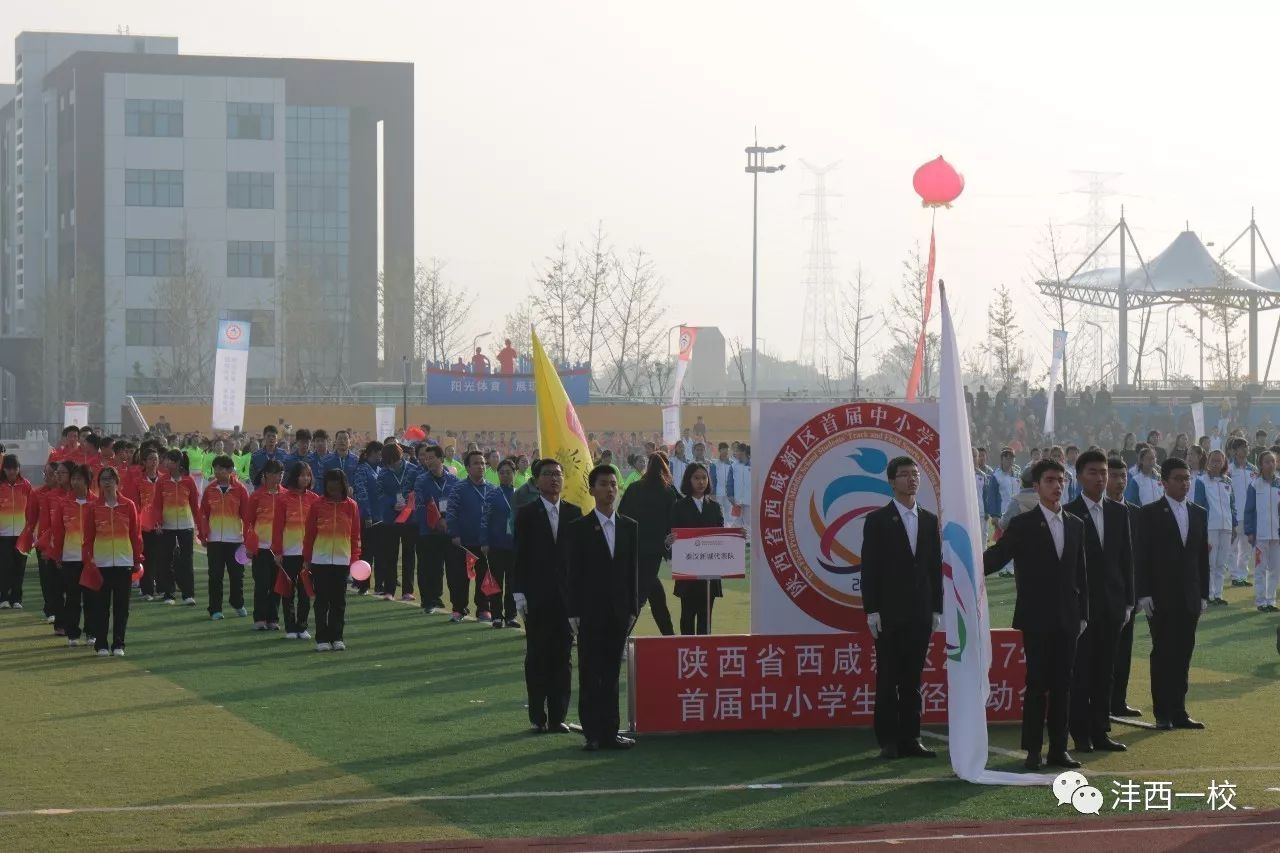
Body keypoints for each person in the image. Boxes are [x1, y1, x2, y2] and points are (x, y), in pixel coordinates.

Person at [982, 459, 1088, 770]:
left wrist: (1083, 613)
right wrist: (968, 562)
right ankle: (1032, 750)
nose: (1057, 486)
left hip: (1068, 617)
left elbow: (1081, 574)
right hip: (1036, 617)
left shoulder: (1075, 524)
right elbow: (998, 556)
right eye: (1050, 480)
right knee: (1037, 683)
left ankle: (1059, 748)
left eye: (1061, 480)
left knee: (1063, 684)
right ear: (1037, 486)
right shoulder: (1023, 524)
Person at [860, 456, 942, 760]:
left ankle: (912, 738)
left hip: (920, 613)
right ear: (892, 481)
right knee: (888, 677)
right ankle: (888, 740)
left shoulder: (930, 519)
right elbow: (869, 568)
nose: (912, 479)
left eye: (915, 474)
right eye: (905, 475)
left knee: (912, 678)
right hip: (889, 613)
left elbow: (934, 568)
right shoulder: (878, 520)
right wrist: (872, 609)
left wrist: (936, 608)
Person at [566, 464, 640, 752]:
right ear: (592, 489)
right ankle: (592, 733)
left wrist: (633, 607)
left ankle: (610, 731)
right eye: (604, 484)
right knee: (590, 671)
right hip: (589, 611)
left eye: (613, 484)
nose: (610, 489)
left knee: (611, 674)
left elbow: (631, 572)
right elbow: (573, 574)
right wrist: (573, 611)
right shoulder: (580, 528)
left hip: (619, 611)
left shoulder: (629, 526)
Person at [1064, 450, 1133, 754]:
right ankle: (1080, 733)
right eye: (1093, 472)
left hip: (1113, 605)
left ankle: (1101, 730)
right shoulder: (1068, 512)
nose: (1101, 478)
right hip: (1081, 608)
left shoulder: (1119, 512)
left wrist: (1129, 601)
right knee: (1081, 672)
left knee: (1106, 670)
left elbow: (1126, 559)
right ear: (1079, 476)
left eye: (1104, 472)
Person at [1136, 457, 1210, 730]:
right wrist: (1143, 594)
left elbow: (1201, 557)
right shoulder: (1150, 513)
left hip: (1189, 595)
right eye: (1178, 478)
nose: (1184, 483)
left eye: (1187, 478)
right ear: (1164, 482)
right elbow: (1141, 556)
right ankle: (1162, 712)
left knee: (1183, 653)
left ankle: (1179, 710)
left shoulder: (1199, 512)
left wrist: (1204, 593)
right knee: (1163, 652)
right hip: (1160, 597)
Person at [511, 458, 582, 734]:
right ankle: (537, 716)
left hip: (566, 599)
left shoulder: (574, 513)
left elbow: (579, 561)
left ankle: (558, 717)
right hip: (536, 597)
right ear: (537, 480)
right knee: (537, 656)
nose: (554, 479)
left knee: (562, 657)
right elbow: (520, 555)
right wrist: (519, 592)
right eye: (548, 474)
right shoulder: (527, 513)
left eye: (558, 474)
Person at [84, 467, 143, 657]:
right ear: (98, 483)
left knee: (121, 607)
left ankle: (119, 644)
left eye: (110, 479)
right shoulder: (94, 507)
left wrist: (136, 559)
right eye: (103, 479)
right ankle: (101, 644)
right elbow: (88, 537)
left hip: (123, 563)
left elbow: (135, 535)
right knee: (101, 607)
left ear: (117, 482)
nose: (107, 483)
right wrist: (89, 561)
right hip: (100, 564)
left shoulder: (128, 505)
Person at [617, 453, 678, 636]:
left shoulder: (634, 488)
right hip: (654, 551)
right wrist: (669, 550)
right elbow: (672, 522)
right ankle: (620, 641)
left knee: (655, 595)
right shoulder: (668, 491)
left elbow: (622, 515)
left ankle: (669, 638)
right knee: (640, 598)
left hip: (632, 548)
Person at [303, 469, 362, 652]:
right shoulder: (317, 505)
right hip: (320, 560)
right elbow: (310, 534)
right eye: (330, 486)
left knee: (339, 601)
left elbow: (355, 535)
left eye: (337, 486)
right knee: (322, 601)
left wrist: (354, 559)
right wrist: (307, 559)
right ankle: (322, 638)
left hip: (342, 561)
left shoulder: (351, 506)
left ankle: (337, 637)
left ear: (343, 486)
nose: (334, 491)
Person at [666, 462, 727, 636]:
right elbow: (672, 537)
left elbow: (722, 537)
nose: (701, 482)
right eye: (696, 478)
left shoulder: (715, 507)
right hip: (688, 572)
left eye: (704, 477)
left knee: (705, 620)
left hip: (709, 573)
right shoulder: (679, 506)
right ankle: (687, 655)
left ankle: (703, 656)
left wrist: (737, 537)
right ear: (688, 480)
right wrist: (669, 542)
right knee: (687, 617)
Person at [1106, 459, 1143, 718]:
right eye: (1114, 476)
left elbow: (1142, 556)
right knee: (1100, 651)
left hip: (1128, 593)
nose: (1120, 481)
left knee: (1124, 649)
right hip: (1100, 594)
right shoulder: (1089, 512)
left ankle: (1118, 700)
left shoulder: (1135, 513)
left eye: (1123, 476)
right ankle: (1097, 701)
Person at [198, 455, 251, 620]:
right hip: (215, 540)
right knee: (215, 576)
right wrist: (203, 535)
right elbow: (203, 514)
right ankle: (215, 609)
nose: (217, 471)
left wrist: (248, 539)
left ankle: (237, 603)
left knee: (237, 575)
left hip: (236, 540)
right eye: (215, 468)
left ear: (229, 470)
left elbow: (247, 516)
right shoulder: (209, 490)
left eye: (220, 468)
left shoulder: (240, 490)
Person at [272, 461, 318, 639]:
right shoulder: (283, 499)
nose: (305, 478)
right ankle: (290, 628)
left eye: (308, 475)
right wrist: (278, 551)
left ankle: (302, 626)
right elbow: (277, 527)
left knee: (306, 591)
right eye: (302, 474)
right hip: (289, 553)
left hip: (307, 554)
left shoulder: (314, 499)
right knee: (288, 591)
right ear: (294, 476)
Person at [50, 465, 93, 647]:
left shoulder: (96, 503)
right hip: (70, 558)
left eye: (79, 479)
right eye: (73, 478)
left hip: (92, 560)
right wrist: (58, 554)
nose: (75, 482)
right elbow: (58, 532)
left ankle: (92, 633)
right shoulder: (64, 503)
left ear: (87, 481)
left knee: (92, 598)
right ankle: (73, 634)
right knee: (73, 598)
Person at [446, 450, 491, 622]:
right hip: (463, 543)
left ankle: (484, 609)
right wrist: (454, 533)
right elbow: (451, 513)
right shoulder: (458, 488)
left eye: (482, 463)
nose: (480, 466)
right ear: (467, 467)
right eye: (476, 463)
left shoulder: (492, 490)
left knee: (484, 577)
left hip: (485, 544)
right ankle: (459, 609)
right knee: (460, 578)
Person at [152, 449, 200, 606]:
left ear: (179, 463)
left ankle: (188, 594)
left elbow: (195, 505)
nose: (167, 463)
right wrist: (157, 523)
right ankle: (169, 594)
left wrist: (200, 527)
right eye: (166, 460)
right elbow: (157, 505)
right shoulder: (162, 481)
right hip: (167, 526)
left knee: (186, 560)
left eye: (171, 461)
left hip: (186, 526)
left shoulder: (189, 481)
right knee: (167, 560)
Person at [413, 444, 457, 613]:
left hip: (448, 531)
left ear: (441, 459)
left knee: (445, 567)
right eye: (426, 458)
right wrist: (437, 520)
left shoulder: (453, 481)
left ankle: (438, 597)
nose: (428, 461)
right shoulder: (421, 480)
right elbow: (421, 505)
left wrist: (447, 521)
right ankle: (428, 600)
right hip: (428, 530)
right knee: (428, 566)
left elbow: (456, 505)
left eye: (432, 458)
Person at [375, 442, 420, 601]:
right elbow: (379, 493)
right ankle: (389, 590)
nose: (393, 465)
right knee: (390, 555)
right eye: (389, 462)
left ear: (400, 457)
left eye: (395, 460)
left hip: (410, 519)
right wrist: (392, 503)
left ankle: (408, 590)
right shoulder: (383, 473)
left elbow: (418, 491)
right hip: (390, 520)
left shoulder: (414, 470)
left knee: (409, 555)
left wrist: (408, 503)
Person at [125, 448, 170, 603]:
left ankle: (163, 588)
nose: (154, 461)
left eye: (156, 459)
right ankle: (147, 590)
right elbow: (134, 504)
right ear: (143, 462)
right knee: (147, 558)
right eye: (150, 458)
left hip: (162, 524)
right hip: (144, 524)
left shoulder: (164, 479)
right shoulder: (138, 480)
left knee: (163, 558)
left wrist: (162, 522)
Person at [1193, 449, 1237, 606]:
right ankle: (1208, 594)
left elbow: (1232, 505)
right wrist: (1201, 527)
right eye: (1213, 460)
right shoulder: (1201, 480)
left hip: (1226, 527)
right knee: (1210, 562)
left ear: (1224, 462)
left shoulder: (1228, 481)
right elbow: (1198, 504)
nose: (1216, 463)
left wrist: (1235, 524)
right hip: (1210, 526)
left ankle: (1218, 594)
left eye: (1219, 461)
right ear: (1208, 462)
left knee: (1221, 562)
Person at [480, 458, 519, 628]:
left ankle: (511, 616)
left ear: (514, 473)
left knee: (513, 583)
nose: (505, 475)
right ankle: (496, 615)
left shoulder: (520, 495)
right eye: (501, 472)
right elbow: (484, 520)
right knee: (496, 582)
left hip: (515, 546)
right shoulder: (492, 494)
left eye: (508, 472)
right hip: (496, 545)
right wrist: (484, 542)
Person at [248, 460, 286, 631]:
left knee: (276, 585)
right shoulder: (256, 496)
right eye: (277, 473)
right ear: (267, 474)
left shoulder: (285, 496)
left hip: (279, 549)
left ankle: (273, 618)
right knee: (262, 584)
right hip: (261, 548)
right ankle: (259, 618)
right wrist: (249, 545)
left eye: (281, 473)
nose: (280, 477)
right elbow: (248, 522)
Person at [1244, 450, 1280, 613]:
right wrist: (1250, 531)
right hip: (1261, 535)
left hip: (1277, 536)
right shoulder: (1254, 484)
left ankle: (1271, 601)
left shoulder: (1279, 483)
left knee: (1275, 569)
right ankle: (1260, 601)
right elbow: (1249, 510)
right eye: (1267, 462)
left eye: (1273, 461)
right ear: (1260, 464)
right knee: (1260, 569)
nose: (1271, 464)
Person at [0, 454, 34, 610]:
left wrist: (30, 530)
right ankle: (4, 598)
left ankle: (16, 599)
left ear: (19, 468)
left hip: (22, 534)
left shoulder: (26, 485)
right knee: (5, 567)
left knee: (19, 568)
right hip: (3, 534)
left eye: (15, 468)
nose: (12, 471)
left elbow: (31, 509)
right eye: (8, 468)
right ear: (4, 469)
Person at [351, 441, 384, 596]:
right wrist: (367, 514)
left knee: (380, 552)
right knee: (367, 552)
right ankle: (363, 584)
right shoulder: (361, 470)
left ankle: (379, 585)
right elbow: (361, 493)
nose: (381, 456)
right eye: (379, 453)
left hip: (381, 517)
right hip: (368, 518)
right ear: (371, 453)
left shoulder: (380, 469)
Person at [1226, 437, 1257, 588]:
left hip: (1249, 515)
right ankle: (1234, 575)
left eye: (1247, 446)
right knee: (1232, 546)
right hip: (1234, 514)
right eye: (1242, 447)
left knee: (1246, 547)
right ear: (1234, 450)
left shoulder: (1253, 469)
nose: (1245, 449)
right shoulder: (1229, 470)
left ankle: (1242, 576)